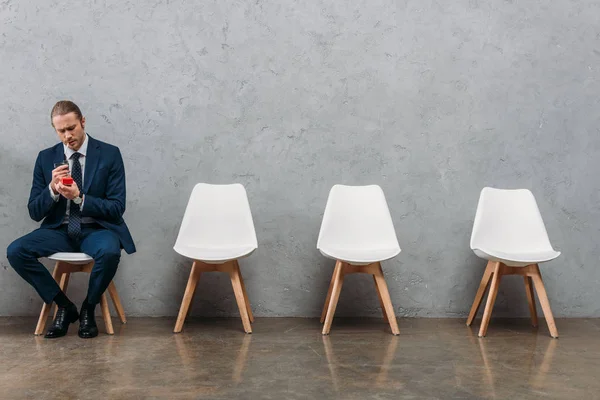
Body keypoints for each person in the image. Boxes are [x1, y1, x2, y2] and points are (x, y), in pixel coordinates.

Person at [6, 100, 135, 339]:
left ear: (82, 122)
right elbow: (34, 212)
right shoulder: (46, 158)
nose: (67, 136)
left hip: (96, 228)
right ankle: (64, 307)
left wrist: (80, 197)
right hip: (59, 230)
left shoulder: (109, 154)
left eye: (71, 128)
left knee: (109, 252)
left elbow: (117, 207)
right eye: (61, 131)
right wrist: (52, 190)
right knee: (16, 251)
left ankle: (89, 307)